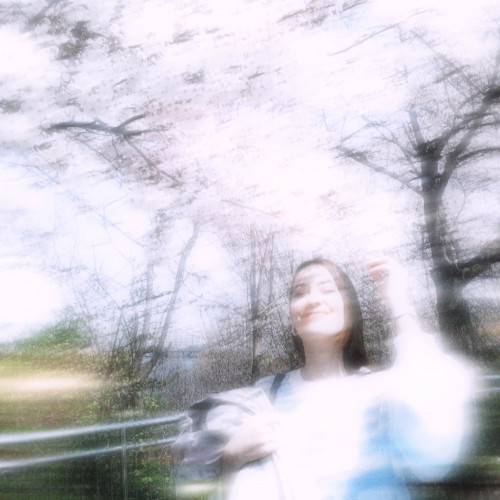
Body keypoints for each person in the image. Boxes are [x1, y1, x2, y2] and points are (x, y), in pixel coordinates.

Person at [175, 257, 473, 500]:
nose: (312, 299)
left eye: (328, 290)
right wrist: (232, 459)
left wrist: (400, 303)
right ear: (293, 321)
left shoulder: (383, 393)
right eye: (300, 292)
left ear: (350, 313)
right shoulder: (265, 396)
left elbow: (436, 454)